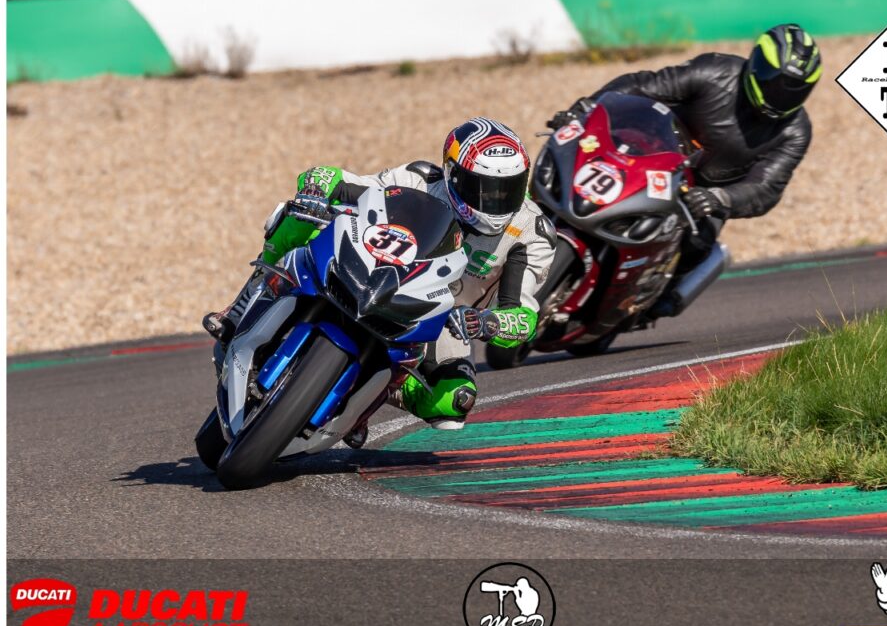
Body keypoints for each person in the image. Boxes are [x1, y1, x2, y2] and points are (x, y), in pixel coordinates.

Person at [203, 117, 555, 440]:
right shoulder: (420, 179)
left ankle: (364, 400)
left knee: (454, 400)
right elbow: (343, 182)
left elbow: (523, 317)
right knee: (297, 216)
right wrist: (316, 187)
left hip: (444, 318)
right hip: (372, 272)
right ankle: (240, 307)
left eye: (508, 188)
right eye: (485, 188)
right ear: (453, 175)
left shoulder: (532, 231)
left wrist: (489, 323)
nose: (496, 200)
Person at [549, 23, 820, 318]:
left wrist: (719, 199)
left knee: (697, 242)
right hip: (651, 155)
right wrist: (586, 108)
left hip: (704, 191)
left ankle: (657, 297)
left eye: (794, 90)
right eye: (775, 82)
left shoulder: (795, 131)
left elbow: (766, 186)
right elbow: (643, 85)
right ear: (756, 64)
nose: (781, 95)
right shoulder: (713, 71)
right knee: (575, 172)